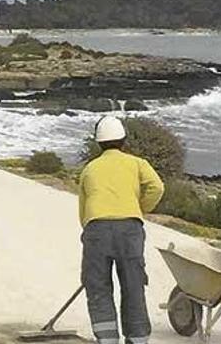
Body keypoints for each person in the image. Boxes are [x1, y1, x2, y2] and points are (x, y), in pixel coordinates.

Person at [78, 116, 165, 344]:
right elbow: (157, 187)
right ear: (123, 141)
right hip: (130, 229)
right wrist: (140, 208)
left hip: (96, 228)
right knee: (133, 285)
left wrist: (88, 232)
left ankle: (107, 339)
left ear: (98, 144)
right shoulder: (137, 163)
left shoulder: (90, 169)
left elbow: (83, 207)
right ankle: (137, 339)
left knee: (97, 286)